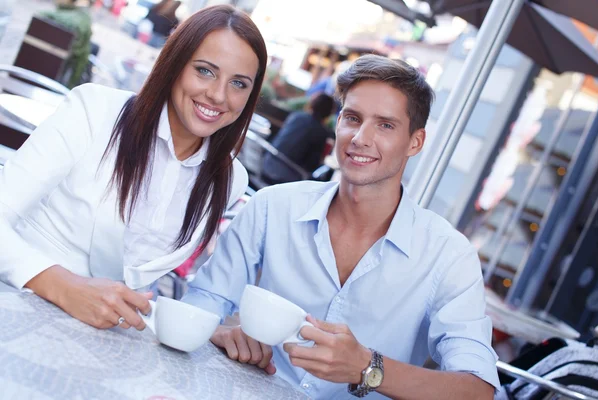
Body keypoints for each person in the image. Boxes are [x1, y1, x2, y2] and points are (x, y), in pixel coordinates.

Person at [183, 54, 500, 399]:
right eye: (352, 118)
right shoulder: (273, 206)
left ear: (415, 142)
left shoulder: (448, 255)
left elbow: (477, 389)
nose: (360, 138)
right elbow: (207, 298)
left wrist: (368, 368)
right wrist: (217, 329)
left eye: (385, 125)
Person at [0, 5, 267, 332]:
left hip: (105, 339)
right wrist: (61, 285)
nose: (218, 95)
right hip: (17, 303)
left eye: (239, 83)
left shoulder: (230, 179)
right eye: (205, 71)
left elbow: (135, 278)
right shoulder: (94, 110)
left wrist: (214, 334)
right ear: (175, 64)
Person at [261, 93, 335, 184]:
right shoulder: (322, 132)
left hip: (267, 163)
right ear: (329, 113)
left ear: (311, 104)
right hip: (287, 176)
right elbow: (312, 165)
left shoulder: (296, 116)